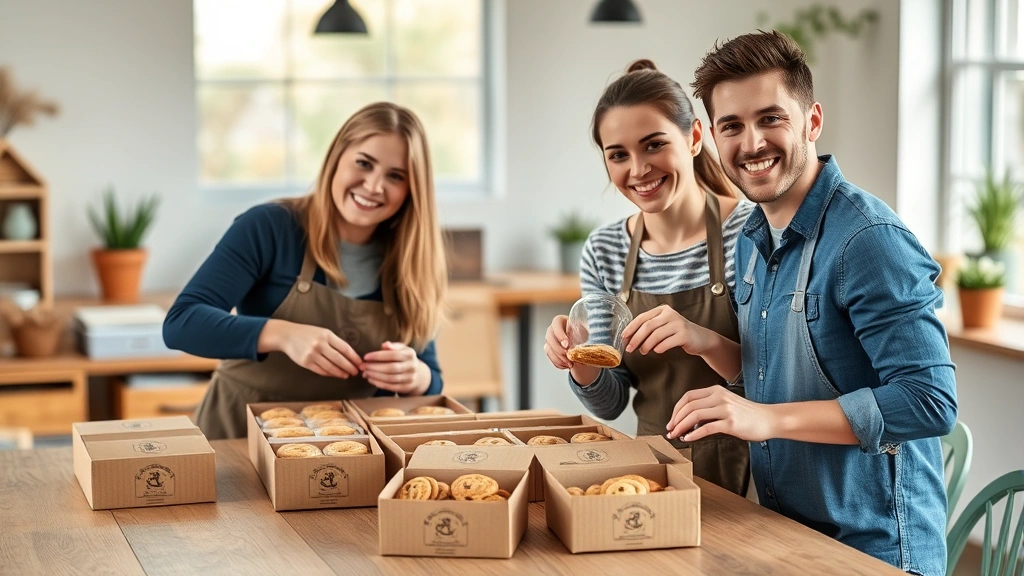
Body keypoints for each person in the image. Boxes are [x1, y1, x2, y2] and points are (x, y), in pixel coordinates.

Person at [662, 31, 956, 575]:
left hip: (876, 552)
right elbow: (780, 374)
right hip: (784, 532)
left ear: (811, 122)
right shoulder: (752, 234)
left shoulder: (867, 240)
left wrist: (766, 419)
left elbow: (930, 402)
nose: (751, 144)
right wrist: (707, 343)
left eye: (771, 118)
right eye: (732, 125)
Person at [163, 102, 448, 440]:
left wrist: (417, 376)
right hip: (238, 437)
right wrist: (283, 335)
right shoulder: (270, 227)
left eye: (395, 176)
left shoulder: (411, 257)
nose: (373, 186)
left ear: (413, 189)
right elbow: (182, 323)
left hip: (351, 448)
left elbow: (432, 375)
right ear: (336, 158)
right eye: (363, 163)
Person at [543, 60, 755, 495]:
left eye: (654, 145)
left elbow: (781, 383)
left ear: (695, 137)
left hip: (754, 474)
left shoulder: (752, 234)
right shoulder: (605, 250)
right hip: (653, 471)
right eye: (618, 154)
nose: (637, 169)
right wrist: (581, 364)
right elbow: (612, 400)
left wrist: (706, 340)